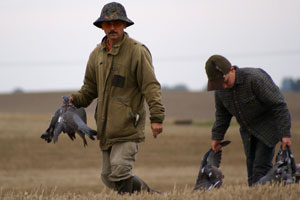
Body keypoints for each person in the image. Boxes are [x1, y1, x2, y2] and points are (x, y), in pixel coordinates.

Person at [68, 2, 165, 194]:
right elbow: (89, 89)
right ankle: (152, 195)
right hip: (105, 128)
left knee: (120, 172)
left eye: (117, 23)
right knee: (107, 176)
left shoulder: (137, 51)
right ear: (102, 27)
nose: (112, 28)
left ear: (124, 25)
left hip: (128, 125)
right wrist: (74, 100)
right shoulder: (96, 55)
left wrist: (157, 117)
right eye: (108, 24)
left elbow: (150, 86)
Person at [205, 55, 292, 186]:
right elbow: (222, 116)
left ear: (232, 70)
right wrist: (216, 138)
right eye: (219, 84)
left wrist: (285, 134)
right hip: (248, 134)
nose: (223, 86)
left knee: (260, 171)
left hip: (268, 128)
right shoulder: (221, 91)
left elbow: (279, 105)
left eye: (225, 81)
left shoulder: (254, 79)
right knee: (252, 176)